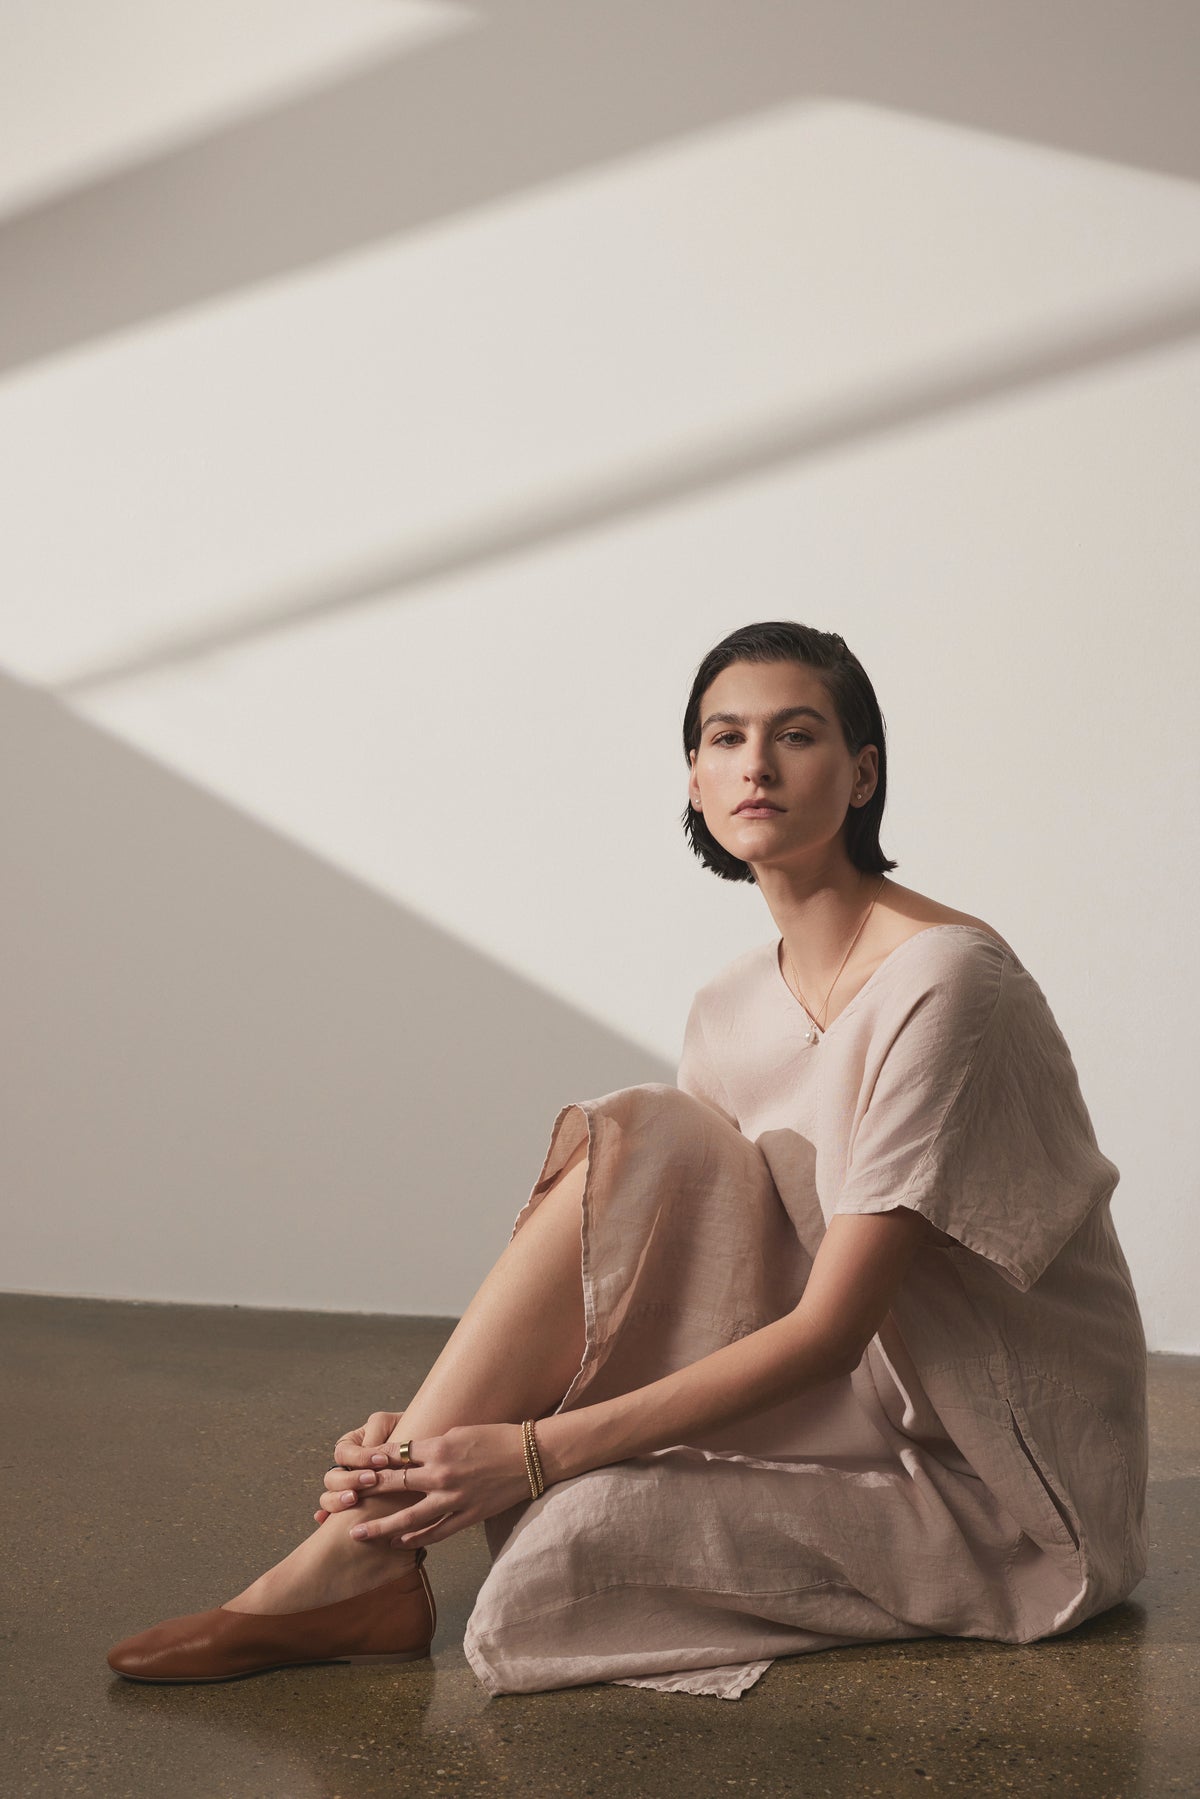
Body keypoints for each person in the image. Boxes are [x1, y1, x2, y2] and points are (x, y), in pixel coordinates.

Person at [108, 621, 1149, 1696]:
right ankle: (365, 1544)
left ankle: (366, 1547)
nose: (756, 763)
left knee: (568, 1538)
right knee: (650, 1129)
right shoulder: (729, 1006)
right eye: (724, 736)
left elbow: (830, 1329)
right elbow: (681, 1270)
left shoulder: (946, 982)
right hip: (847, 1408)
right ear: (694, 777)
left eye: (795, 734)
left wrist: (527, 1450)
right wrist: (433, 1432)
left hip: (999, 1478)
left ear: (862, 774)